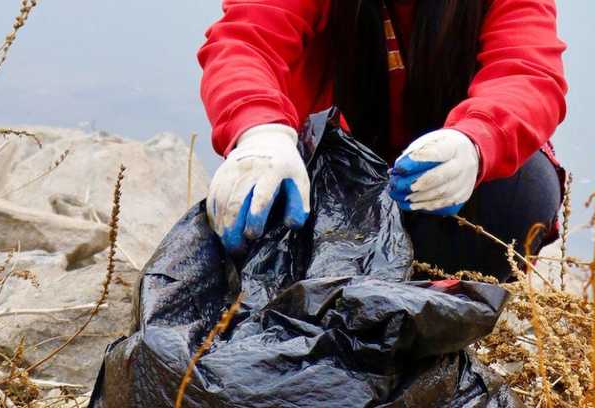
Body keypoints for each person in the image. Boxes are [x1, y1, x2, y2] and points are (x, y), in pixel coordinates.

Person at [198, 0, 568, 281]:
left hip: (444, 188)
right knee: (261, 199)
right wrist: (260, 132)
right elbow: (246, 42)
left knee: (522, 192)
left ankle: (436, 299)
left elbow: (528, 71)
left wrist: (475, 141)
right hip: (327, 181)